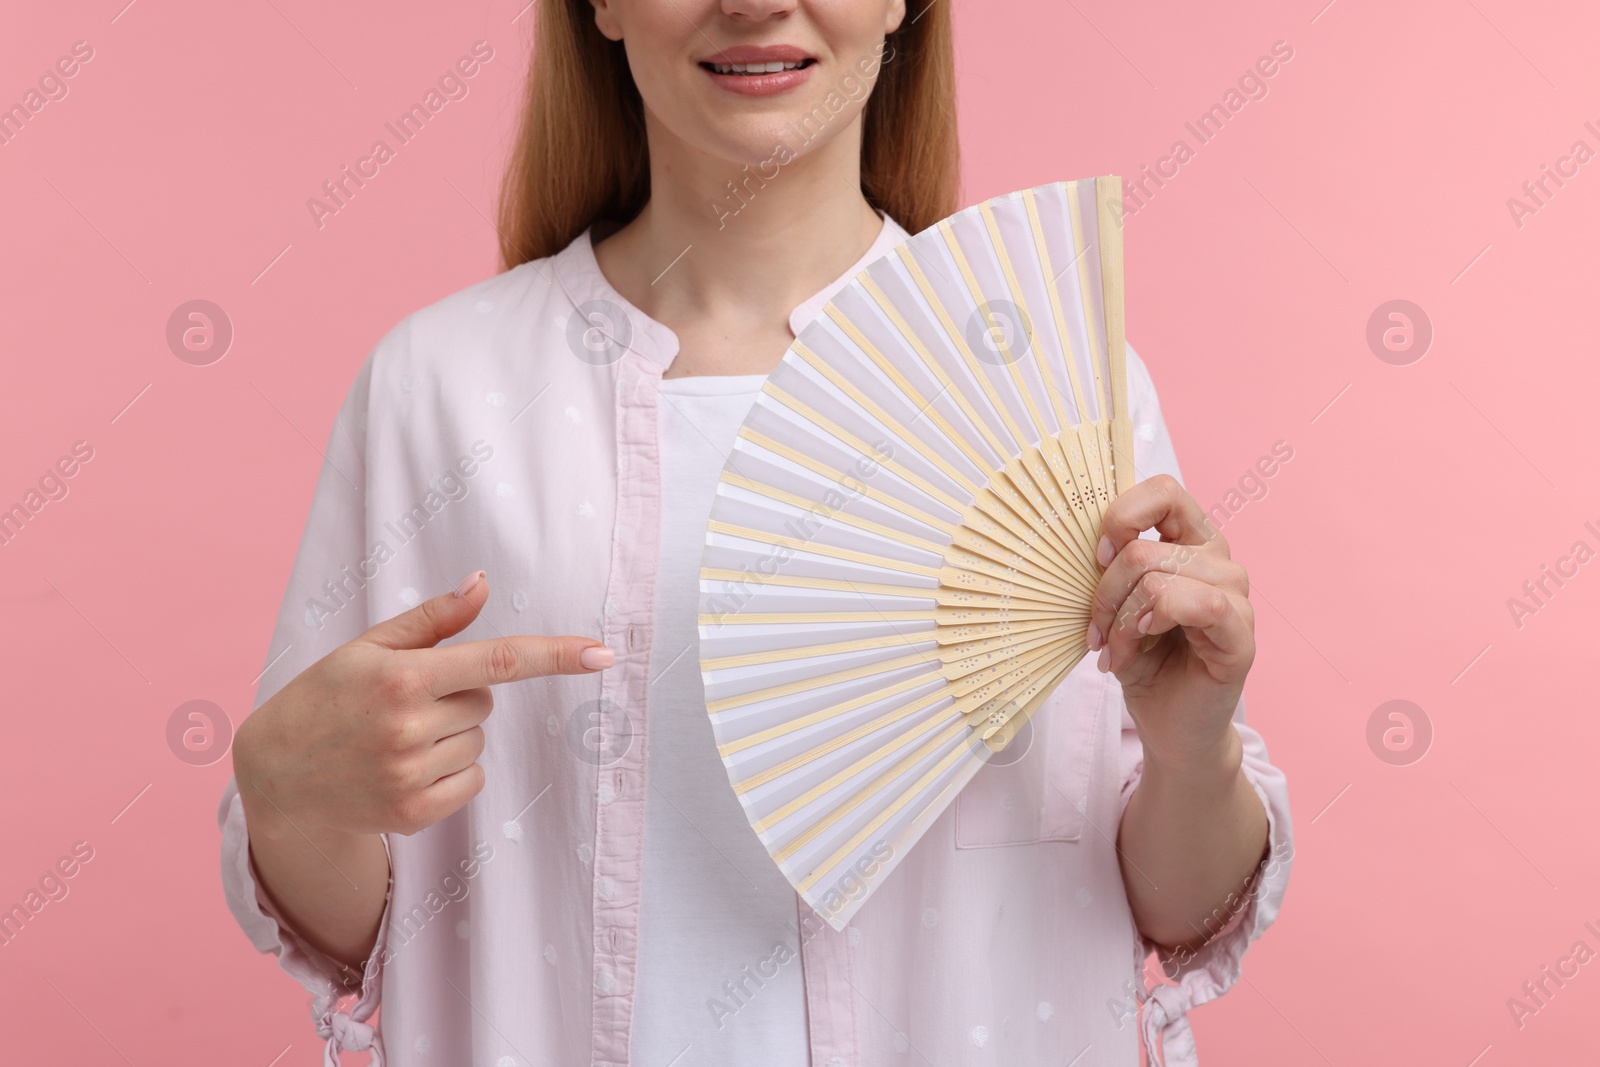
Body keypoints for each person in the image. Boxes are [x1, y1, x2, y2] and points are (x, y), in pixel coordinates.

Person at [219, 1, 1292, 1064]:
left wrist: (1192, 747)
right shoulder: (440, 392)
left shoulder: (1053, 391)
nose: (753, 2)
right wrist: (285, 793)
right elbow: (364, 920)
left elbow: (1175, 906)